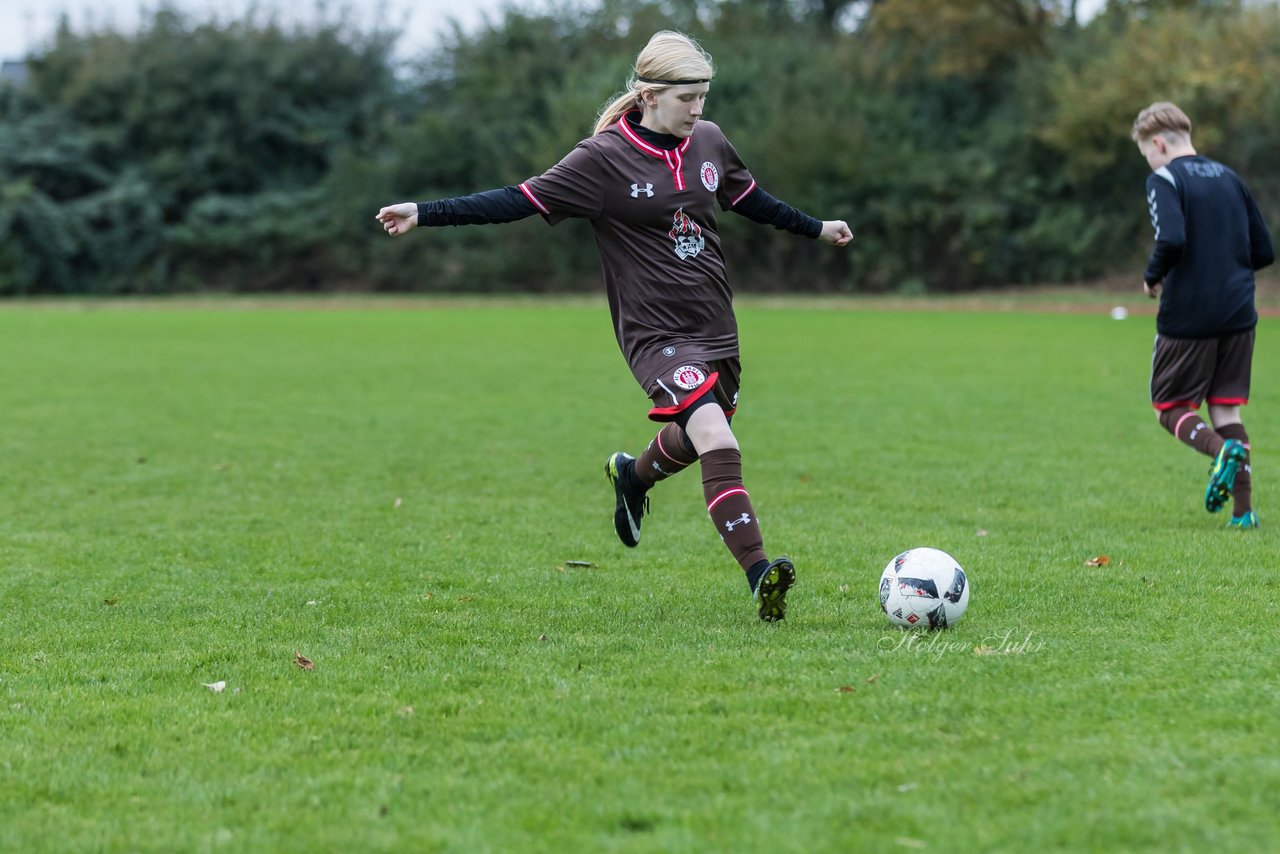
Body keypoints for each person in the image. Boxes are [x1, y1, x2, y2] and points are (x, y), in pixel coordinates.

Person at [376, 30, 851, 620]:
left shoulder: (708, 142)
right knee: (718, 439)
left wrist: (816, 227)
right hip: (655, 333)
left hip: (715, 323)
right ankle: (761, 575)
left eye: (704, 96)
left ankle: (633, 475)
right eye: (687, 98)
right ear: (649, 95)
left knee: (699, 434)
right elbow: (517, 199)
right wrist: (424, 212)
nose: (698, 109)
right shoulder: (601, 160)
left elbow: (752, 198)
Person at [1132, 101, 1274, 528]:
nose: (1149, 161)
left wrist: (1152, 277)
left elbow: (1171, 238)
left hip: (1190, 315)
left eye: (1146, 153)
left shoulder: (1165, 177)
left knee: (1169, 406)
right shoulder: (1231, 178)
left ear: (1157, 143)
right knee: (1227, 411)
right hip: (1239, 314)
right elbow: (1264, 250)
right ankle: (1244, 513)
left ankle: (1219, 451)